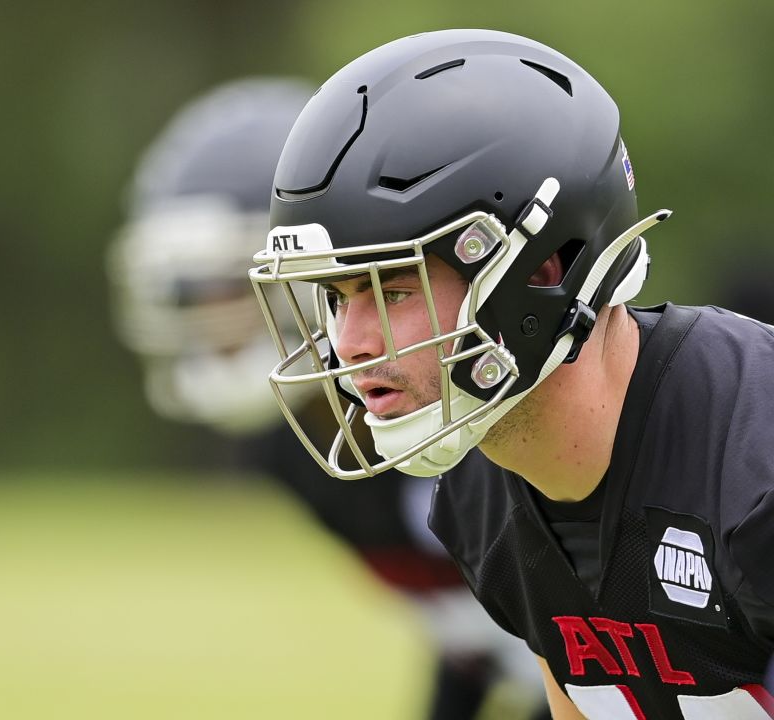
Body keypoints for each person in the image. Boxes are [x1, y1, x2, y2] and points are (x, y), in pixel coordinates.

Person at [246, 29, 774, 719]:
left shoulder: (751, 464)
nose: (348, 346)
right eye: (338, 300)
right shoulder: (478, 497)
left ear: (539, 272)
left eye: (391, 292)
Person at [110, 78, 548, 719]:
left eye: (231, 286)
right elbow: (464, 622)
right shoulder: (286, 443)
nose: (213, 319)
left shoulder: (471, 408)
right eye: (194, 291)